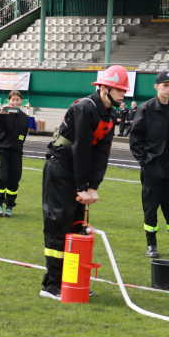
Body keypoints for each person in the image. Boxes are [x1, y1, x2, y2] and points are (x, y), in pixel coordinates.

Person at [39, 66, 125, 300]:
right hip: (60, 166)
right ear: (104, 88)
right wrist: (80, 188)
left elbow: (102, 154)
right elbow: (81, 149)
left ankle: (71, 280)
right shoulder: (85, 107)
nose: (122, 95)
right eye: (119, 90)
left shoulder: (109, 115)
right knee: (59, 222)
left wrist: (92, 186)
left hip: (75, 168)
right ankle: (51, 285)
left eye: (124, 91)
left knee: (76, 226)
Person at [129, 70, 169, 260]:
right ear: (157, 87)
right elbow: (135, 139)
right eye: (165, 85)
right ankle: (151, 245)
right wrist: (145, 161)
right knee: (151, 205)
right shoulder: (146, 109)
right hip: (153, 165)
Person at [0, 90, 30, 218]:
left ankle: (9, 206)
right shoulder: (1, 114)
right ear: (9, 101)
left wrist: (18, 144)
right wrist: (1, 115)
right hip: (2, 150)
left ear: (21, 101)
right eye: (12, 100)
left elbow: (23, 135)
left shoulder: (25, 117)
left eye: (17, 100)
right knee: (1, 178)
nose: (15, 102)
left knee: (14, 180)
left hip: (16, 152)